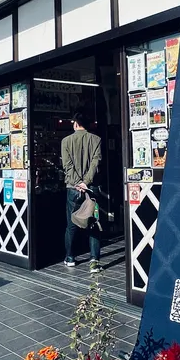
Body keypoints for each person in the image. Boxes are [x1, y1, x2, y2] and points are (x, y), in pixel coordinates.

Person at [61, 113, 102, 271]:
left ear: (76, 124)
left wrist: (77, 182)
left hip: (73, 188)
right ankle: (94, 262)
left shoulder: (66, 141)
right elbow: (95, 162)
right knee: (93, 223)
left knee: (71, 224)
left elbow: (67, 165)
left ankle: (70, 257)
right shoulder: (96, 139)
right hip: (92, 188)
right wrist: (86, 182)